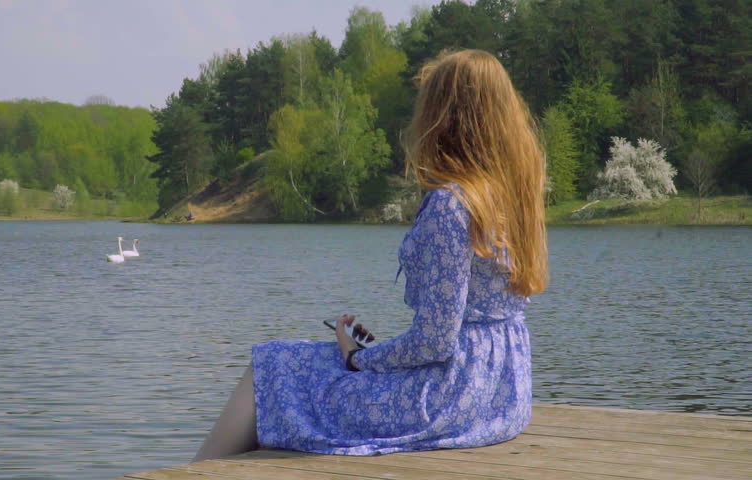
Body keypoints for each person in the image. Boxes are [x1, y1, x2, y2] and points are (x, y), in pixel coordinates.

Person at [191, 48, 548, 462]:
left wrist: (360, 357)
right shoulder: (514, 198)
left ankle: (199, 471)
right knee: (313, 363)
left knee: (272, 365)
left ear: (441, 118)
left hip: (450, 398)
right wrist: (374, 354)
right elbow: (461, 326)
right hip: (502, 392)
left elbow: (436, 342)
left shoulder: (452, 206)